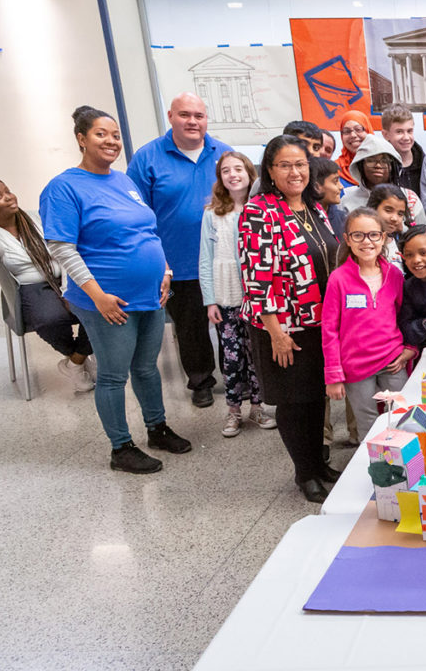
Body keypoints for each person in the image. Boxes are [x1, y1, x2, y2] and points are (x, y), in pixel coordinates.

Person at [40, 106, 191, 473]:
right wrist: (97, 296)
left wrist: (166, 270)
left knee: (146, 367)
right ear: (81, 138)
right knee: (113, 374)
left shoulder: (123, 181)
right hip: (108, 300)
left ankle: (156, 428)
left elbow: (148, 232)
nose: (111, 141)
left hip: (150, 294)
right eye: (100, 134)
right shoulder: (64, 187)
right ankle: (120, 447)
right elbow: (62, 248)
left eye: (116, 135)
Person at [239, 134, 339, 503]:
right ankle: (305, 473)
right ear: (269, 170)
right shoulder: (259, 211)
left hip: (317, 322)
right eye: (285, 165)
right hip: (283, 326)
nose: (294, 172)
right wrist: (275, 331)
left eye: (300, 164)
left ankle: (318, 463)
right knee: (293, 401)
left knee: (314, 397)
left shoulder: (315, 208)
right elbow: (257, 275)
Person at [126, 92, 232, 407]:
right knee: (190, 327)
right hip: (177, 262)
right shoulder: (147, 158)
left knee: (231, 322)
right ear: (171, 116)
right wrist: (157, 263)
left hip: (224, 260)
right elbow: (136, 213)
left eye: (198, 116)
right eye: (185, 114)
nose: (192, 121)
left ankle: (236, 378)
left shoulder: (224, 154)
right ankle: (200, 381)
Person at [0, 176, 94, 392]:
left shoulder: (36, 217)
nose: (8, 197)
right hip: (33, 287)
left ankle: (75, 361)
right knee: (50, 320)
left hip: (65, 276)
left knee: (97, 309)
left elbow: (65, 249)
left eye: (7, 191)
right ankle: (79, 357)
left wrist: (66, 290)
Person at [199, 151, 275, 438]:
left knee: (256, 354)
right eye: (226, 171)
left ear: (249, 173)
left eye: (238, 169)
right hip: (226, 297)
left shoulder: (260, 209)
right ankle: (233, 411)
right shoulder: (212, 214)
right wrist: (210, 300)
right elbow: (205, 260)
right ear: (220, 178)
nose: (233, 175)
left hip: (256, 299)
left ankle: (257, 407)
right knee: (231, 358)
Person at [322, 207, 415, 439]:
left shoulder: (394, 274)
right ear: (347, 240)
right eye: (358, 235)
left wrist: (410, 349)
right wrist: (333, 375)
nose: (367, 242)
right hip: (356, 366)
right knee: (368, 425)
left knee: (401, 417)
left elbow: (405, 316)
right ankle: (376, 472)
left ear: (383, 237)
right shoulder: (338, 279)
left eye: (373, 235)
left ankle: (403, 469)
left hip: (392, 359)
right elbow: (330, 329)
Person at [340, 134, 426, 225]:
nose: (378, 165)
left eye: (384, 161)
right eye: (371, 160)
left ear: (393, 167)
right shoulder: (347, 200)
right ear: (361, 165)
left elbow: (423, 234)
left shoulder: (409, 198)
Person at [381, 103, 423, 197]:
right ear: (385, 135)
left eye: (409, 131)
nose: (406, 137)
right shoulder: (381, 167)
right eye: (399, 132)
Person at [367, 183, 412, 270]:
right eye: (388, 210)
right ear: (373, 208)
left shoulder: (400, 245)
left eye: (400, 214)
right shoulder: (362, 245)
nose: (394, 218)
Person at [335, 110, 374, 187]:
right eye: (347, 131)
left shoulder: (382, 165)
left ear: (368, 131)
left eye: (358, 129)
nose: (353, 135)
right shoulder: (334, 168)